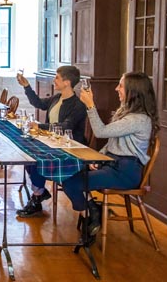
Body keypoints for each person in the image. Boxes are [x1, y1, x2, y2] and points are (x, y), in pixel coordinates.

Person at [62, 71, 159, 245]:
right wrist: (98, 159)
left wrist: (91, 106)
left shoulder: (139, 120)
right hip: (113, 165)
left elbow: (101, 132)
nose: (116, 89)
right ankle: (93, 212)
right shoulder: (127, 114)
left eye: (120, 85)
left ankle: (91, 216)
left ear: (133, 91)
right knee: (69, 173)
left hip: (126, 172)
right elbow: (113, 143)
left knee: (71, 182)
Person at [15, 65, 87, 217]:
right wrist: (27, 86)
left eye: (57, 78)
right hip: (52, 144)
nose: (54, 80)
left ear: (67, 82)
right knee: (27, 154)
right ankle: (39, 192)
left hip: (69, 150)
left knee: (36, 160)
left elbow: (65, 126)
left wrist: (40, 126)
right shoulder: (57, 98)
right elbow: (38, 103)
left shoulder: (78, 105)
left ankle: (37, 196)